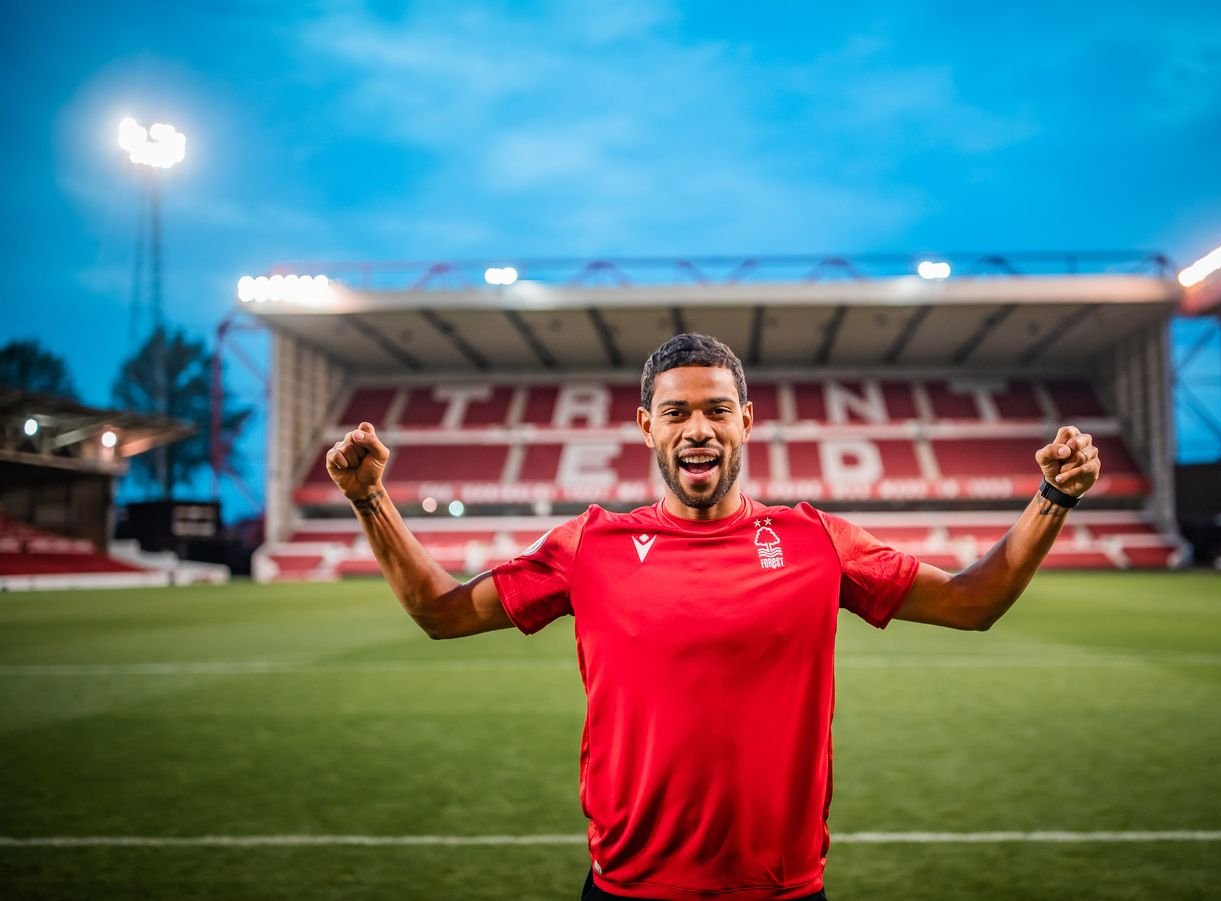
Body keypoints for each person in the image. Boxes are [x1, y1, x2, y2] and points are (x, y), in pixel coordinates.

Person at [326, 333, 1100, 901]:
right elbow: (440, 611)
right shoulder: (589, 544)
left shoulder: (817, 540)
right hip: (629, 890)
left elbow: (973, 602)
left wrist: (1054, 497)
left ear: (747, 421)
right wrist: (370, 496)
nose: (698, 427)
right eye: (678, 412)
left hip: (783, 892)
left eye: (717, 410)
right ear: (647, 426)